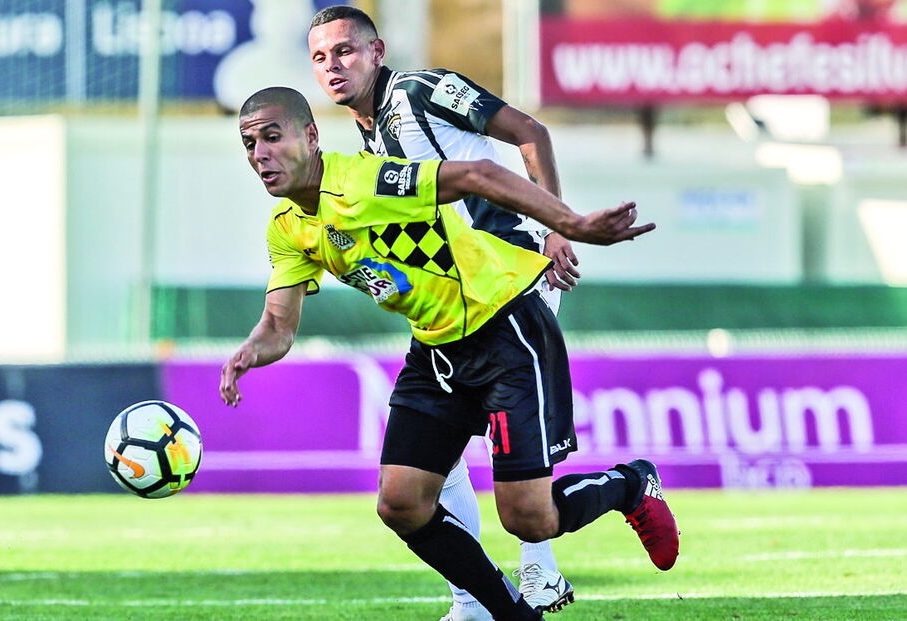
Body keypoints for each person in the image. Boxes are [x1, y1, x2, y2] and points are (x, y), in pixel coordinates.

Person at [220, 86, 679, 620]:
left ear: (311, 136)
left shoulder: (365, 179)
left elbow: (477, 176)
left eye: (273, 137)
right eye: (250, 143)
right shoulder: (288, 229)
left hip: (505, 325)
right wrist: (250, 351)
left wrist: (568, 224)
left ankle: (630, 484)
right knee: (401, 504)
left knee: (530, 520)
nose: (260, 154)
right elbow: (279, 324)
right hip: (436, 348)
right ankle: (508, 614)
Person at [307, 7, 578, 617]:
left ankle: (535, 570)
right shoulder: (366, 138)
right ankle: (479, 595)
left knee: (496, 442)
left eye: (346, 51)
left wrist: (555, 224)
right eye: (321, 58)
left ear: (377, 51)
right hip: (458, 296)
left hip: (514, 270)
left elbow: (531, 132)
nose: (334, 66)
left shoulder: (426, 90)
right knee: (434, 455)